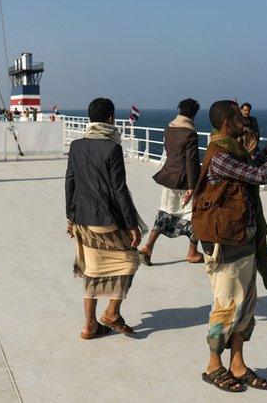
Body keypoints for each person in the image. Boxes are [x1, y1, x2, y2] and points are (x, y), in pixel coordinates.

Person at [191, 100, 267, 392]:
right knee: (225, 306)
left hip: (243, 238)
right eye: (238, 118)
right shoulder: (220, 155)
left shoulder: (233, 150)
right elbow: (260, 176)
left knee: (245, 306)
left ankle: (237, 363)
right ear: (226, 124)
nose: (244, 122)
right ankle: (213, 365)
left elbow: (251, 167)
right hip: (226, 242)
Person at [65, 97, 142, 340]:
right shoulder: (112, 148)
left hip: (83, 219)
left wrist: (70, 216)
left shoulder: (76, 146)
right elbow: (119, 190)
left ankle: (90, 326)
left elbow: (70, 181)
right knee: (130, 260)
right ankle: (111, 312)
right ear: (111, 118)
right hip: (106, 220)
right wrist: (132, 225)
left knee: (93, 270)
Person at [139, 98, 203, 265]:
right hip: (184, 180)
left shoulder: (169, 128)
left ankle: (148, 247)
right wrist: (192, 186)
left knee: (165, 212)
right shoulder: (190, 133)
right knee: (195, 214)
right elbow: (191, 162)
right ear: (194, 114)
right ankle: (192, 251)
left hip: (168, 176)